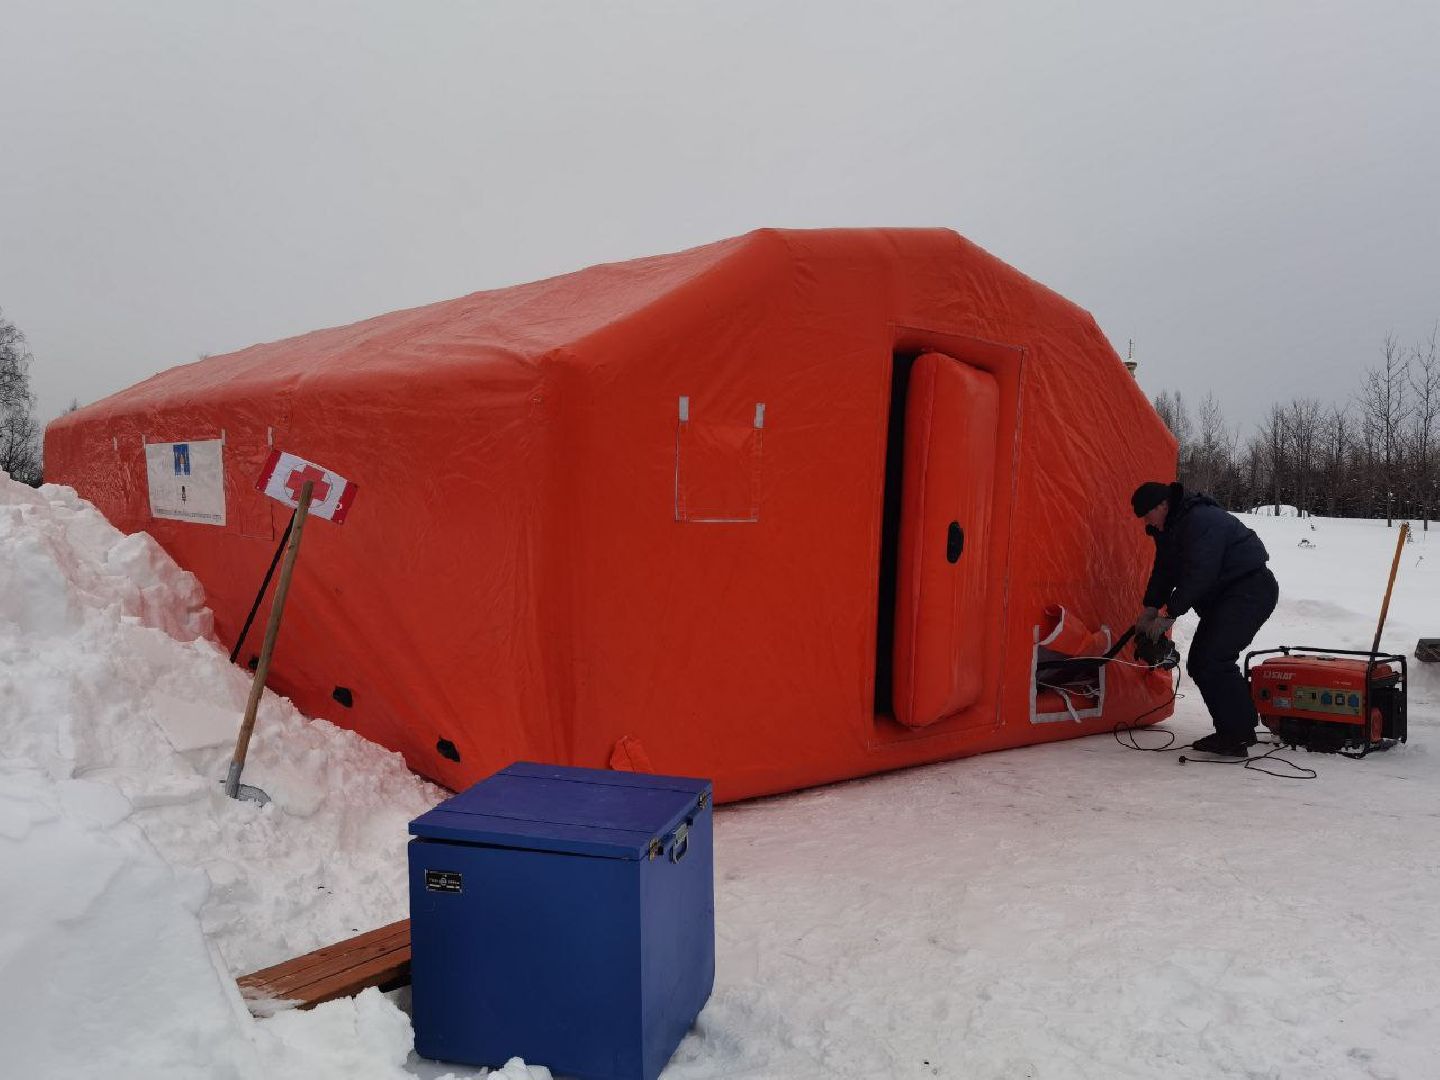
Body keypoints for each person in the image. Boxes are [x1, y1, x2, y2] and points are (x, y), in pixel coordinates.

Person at [1131, 481, 1279, 756]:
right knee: (1202, 661)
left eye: (1147, 514)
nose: (1146, 522)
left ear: (1162, 505)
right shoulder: (1169, 528)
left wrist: (1170, 613)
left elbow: (1201, 573)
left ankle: (1236, 734)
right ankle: (1236, 730)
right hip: (1226, 596)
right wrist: (1150, 607)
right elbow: (1165, 570)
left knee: (1213, 658)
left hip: (1249, 589)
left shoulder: (1201, 520)